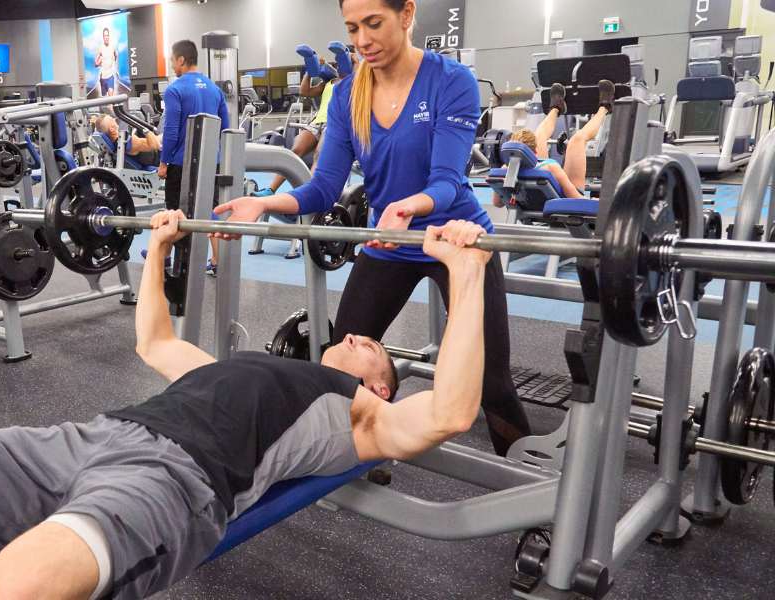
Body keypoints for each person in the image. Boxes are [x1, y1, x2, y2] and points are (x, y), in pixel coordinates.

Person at [0, 212, 492, 600]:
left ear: (380, 387)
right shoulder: (243, 370)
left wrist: (466, 276)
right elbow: (155, 340)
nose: (353, 333)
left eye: (370, 344)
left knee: (20, 580)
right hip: (92, 437)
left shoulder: (356, 416)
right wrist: (159, 250)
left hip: (175, 481)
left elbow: (450, 413)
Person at [212, 0, 532, 456]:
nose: (362, 40)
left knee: (491, 381)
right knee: (341, 370)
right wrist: (264, 202)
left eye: (374, 23)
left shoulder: (450, 81)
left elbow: (446, 181)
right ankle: (358, 459)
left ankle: (528, 489)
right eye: (353, 27)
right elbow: (324, 188)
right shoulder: (346, 95)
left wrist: (407, 206)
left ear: (406, 15)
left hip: (458, 242)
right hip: (390, 244)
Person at [159, 39, 231, 275]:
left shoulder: (175, 89)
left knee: (174, 212)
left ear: (181, 60)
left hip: (181, 163)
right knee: (212, 210)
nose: (172, 65)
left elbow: (170, 131)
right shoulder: (215, 89)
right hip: (212, 160)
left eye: (172, 60)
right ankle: (219, 262)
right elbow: (225, 128)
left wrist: (163, 161)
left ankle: (173, 261)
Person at [491, 81, 615, 206]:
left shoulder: (505, 170)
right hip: (565, 204)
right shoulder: (550, 168)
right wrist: (593, 201)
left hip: (535, 202)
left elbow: (497, 203)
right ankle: (605, 107)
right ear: (534, 152)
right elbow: (575, 199)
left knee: (539, 136)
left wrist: (503, 187)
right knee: (577, 140)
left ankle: (556, 108)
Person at [257, 44, 358, 197]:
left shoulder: (355, 82)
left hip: (335, 124)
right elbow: (305, 91)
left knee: (319, 155)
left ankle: (308, 195)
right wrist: (310, 70)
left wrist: (356, 62)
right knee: (294, 151)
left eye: (344, 58)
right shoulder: (329, 82)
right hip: (317, 122)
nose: (339, 62)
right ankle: (270, 190)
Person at [96, 114, 162, 169]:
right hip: (160, 156)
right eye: (111, 119)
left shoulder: (116, 143)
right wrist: (147, 131)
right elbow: (155, 145)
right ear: (112, 129)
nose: (114, 119)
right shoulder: (127, 142)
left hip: (155, 149)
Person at [95, 27, 119, 97]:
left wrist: (114, 60)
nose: (106, 37)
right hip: (103, 78)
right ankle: (107, 107)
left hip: (110, 77)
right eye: (105, 36)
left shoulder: (112, 47)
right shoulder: (100, 48)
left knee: (111, 99)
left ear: (109, 36)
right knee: (105, 102)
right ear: (103, 37)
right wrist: (100, 61)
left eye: (107, 35)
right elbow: (95, 64)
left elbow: (115, 57)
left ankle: (111, 107)